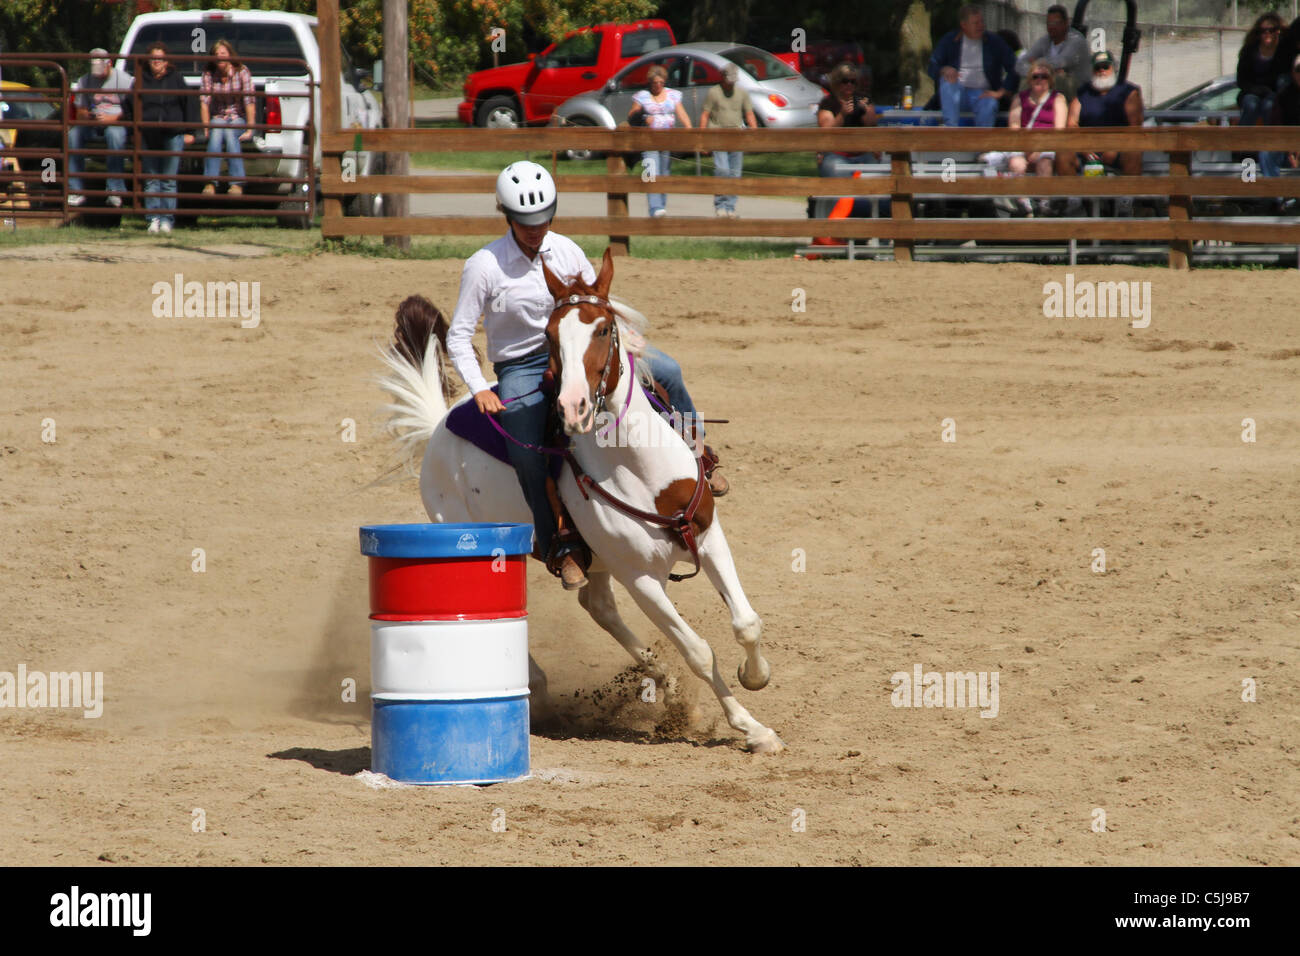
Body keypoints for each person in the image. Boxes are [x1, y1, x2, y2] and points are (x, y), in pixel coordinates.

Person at [446, 162, 726, 590]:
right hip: (522, 365)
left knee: (667, 370)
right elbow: (459, 336)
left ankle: (698, 454)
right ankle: (559, 543)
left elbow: (596, 304)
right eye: (525, 223)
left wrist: (622, 337)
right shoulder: (484, 265)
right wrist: (480, 388)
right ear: (506, 215)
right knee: (524, 448)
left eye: (542, 220)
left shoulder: (566, 250)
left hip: (582, 349)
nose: (535, 230)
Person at [1058, 50, 1144, 215]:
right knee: (1062, 153)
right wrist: (1084, 149)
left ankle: (1125, 203)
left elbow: (1135, 128)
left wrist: (1115, 148)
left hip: (1119, 151)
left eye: (1106, 67)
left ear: (1113, 69)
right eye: (1097, 68)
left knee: (1134, 153)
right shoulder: (1083, 92)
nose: (1102, 71)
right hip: (1087, 152)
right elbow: (1072, 124)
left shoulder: (1129, 91)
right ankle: (1074, 201)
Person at [132, 43, 196, 234]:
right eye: (153, 59)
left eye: (160, 58)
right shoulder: (140, 80)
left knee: (168, 179)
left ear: (167, 61)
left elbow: (189, 103)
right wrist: (135, 128)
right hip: (149, 133)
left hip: (173, 133)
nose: (156, 62)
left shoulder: (176, 79)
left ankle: (167, 219)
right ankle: (153, 218)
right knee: (151, 178)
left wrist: (190, 131)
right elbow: (130, 103)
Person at [927, 4, 1019, 128]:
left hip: (983, 94)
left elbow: (1015, 66)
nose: (981, 26)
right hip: (958, 94)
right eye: (976, 23)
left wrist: (1001, 92)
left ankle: (982, 145)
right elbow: (932, 65)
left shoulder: (994, 41)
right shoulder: (950, 40)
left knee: (989, 104)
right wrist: (943, 69)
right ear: (964, 25)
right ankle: (951, 131)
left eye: (982, 22)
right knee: (947, 83)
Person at [67, 48, 133, 207]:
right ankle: (76, 190)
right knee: (73, 135)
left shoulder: (125, 80)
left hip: (117, 122)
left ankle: (115, 190)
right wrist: (87, 116)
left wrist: (113, 118)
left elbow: (132, 109)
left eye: (101, 71)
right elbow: (81, 108)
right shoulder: (85, 80)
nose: (98, 75)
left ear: (109, 64)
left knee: (114, 135)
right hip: (94, 122)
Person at [627, 65, 691, 217]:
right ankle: (655, 208)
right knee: (651, 172)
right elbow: (631, 115)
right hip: (648, 141)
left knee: (664, 173)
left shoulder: (672, 95)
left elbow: (682, 114)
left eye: (661, 82)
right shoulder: (642, 96)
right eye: (655, 83)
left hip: (667, 140)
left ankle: (661, 205)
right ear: (650, 82)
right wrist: (643, 116)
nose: (658, 86)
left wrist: (689, 130)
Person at [1007, 58, 1067, 216]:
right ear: (1029, 79)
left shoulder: (1058, 99)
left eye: (1044, 76)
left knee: (1045, 163)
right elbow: (1014, 127)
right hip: (1024, 144)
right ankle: (1024, 206)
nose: (1039, 79)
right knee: (1016, 163)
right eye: (1035, 76)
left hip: (1048, 145)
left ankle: (1044, 205)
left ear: (1051, 80)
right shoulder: (1019, 98)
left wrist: (1039, 150)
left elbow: (1059, 131)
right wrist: (1026, 148)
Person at [698, 63, 756, 219]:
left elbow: (749, 114)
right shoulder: (713, 92)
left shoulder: (742, 93)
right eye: (728, 79)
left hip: (737, 137)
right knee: (722, 170)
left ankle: (730, 206)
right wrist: (702, 140)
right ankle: (720, 206)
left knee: (735, 174)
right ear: (722, 77)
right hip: (718, 135)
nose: (730, 83)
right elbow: (705, 115)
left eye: (733, 80)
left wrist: (754, 133)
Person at [200, 39, 255, 197]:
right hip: (218, 116)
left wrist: (250, 128)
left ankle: (236, 183)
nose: (220, 57)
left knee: (231, 133)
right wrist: (206, 127)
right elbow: (204, 103)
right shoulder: (209, 73)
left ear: (230, 55)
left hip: (238, 116)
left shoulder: (242, 71)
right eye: (216, 54)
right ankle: (210, 182)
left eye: (223, 54)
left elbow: (249, 101)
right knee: (216, 132)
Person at [1016, 4, 1091, 100]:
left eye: (1056, 23)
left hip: (1078, 90)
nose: (1052, 27)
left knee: (1055, 79)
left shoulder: (1076, 40)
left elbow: (1062, 61)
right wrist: (1033, 73)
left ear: (1066, 23)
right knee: (1028, 80)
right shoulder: (1045, 40)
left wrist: (1037, 66)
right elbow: (1020, 64)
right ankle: (1025, 109)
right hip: (1052, 84)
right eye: (1049, 23)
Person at [816, 61, 878, 177]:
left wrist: (864, 111)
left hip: (863, 154)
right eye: (845, 81)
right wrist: (842, 115)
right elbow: (826, 130)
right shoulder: (828, 103)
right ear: (837, 82)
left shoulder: (864, 99)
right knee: (839, 173)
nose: (849, 84)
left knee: (874, 175)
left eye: (853, 81)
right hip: (836, 155)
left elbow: (872, 124)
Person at [1237, 13, 1290, 129]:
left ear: (1278, 31)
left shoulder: (1285, 51)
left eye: (1272, 30)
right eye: (1263, 30)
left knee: (1269, 106)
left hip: (1274, 94)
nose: (1267, 34)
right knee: (1251, 104)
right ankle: (1241, 143)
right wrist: (1259, 90)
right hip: (1252, 92)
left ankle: (1270, 145)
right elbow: (1241, 81)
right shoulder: (1249, 51)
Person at [1260, 53, 1300, 196]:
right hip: (1286, 147)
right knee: (1265, 153)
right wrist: (1289, 147)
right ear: (1293, 73)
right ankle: (1277, 198)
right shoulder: (1284, 95)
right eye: (1298, 70)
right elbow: (1276, 125)